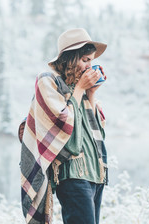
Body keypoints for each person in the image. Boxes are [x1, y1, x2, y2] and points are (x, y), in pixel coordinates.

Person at [20, 28, 108, 224]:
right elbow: (61, 123)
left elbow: (96, 134)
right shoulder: (49, 81)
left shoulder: (80, 87)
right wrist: (80, 90)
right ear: (69, 58)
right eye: (85, 60)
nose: (89, 66)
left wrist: (91, 94)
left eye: (91, 60)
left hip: (95, 173)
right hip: (72, 174)